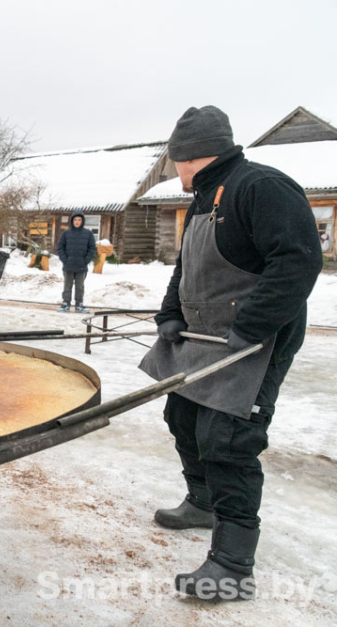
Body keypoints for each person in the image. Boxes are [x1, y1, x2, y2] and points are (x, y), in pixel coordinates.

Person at [139, 106, 322, 601]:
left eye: (174, 161)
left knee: (228, 440)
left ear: (188, 156)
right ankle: (202, 502)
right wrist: (170, 313)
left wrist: (254, 324)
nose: (175, 171)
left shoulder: (261, 186)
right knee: (182, 418)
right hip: (203, 337)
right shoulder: (204, 196)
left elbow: (298, 261)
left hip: (253, 341)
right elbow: (186, 267)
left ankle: (233, 565)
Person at [56, 210, 96, 313]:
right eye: (75, 220)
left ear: (82, 221)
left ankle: (79, 304)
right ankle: (66, 303)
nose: (77, 222)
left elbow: (92, 249)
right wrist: (65, 260)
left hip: (81, 266)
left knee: (80, 287)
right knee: (67, 286)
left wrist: (85, 261)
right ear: (72, 221)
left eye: (79, 220)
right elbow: (60, 248)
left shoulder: (88, 234)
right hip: (68, 265)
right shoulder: (66, 233)